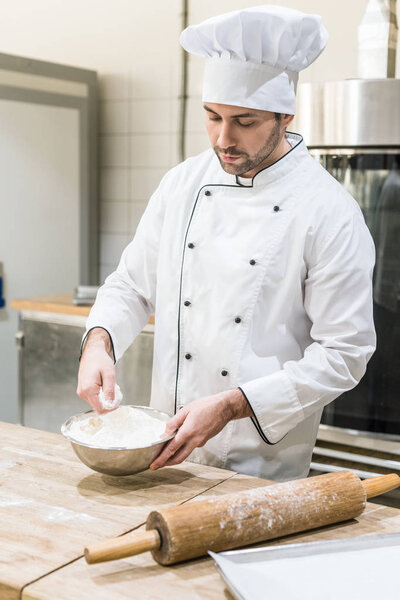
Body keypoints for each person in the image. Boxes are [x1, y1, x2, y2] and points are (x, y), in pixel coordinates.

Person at [77, 6, 376, 481]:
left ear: (285, 115)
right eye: (212, 117)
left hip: (260, 464)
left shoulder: (328, 210)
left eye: (245, 121)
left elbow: (345, 354)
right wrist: (99, 342)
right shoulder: (182, 183)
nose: (223, 138)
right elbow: (131, 285)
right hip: (165, 451)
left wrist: (234, 404)